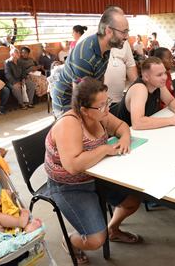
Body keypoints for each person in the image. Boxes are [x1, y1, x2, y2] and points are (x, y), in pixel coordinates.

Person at [45, 77, 141, 263]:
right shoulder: (69, 124)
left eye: (108, 103)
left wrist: (124, 139)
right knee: (95, 240)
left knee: (133, 201)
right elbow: (72, 166)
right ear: (84, 110)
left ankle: (112, 229)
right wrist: (104, 149)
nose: (107, 108)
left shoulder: (100, 115)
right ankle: (69, 241)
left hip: (97, 176)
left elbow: (121, 126)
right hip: (69, 185)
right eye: (102, 105)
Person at [52, 8, 129, 118]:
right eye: (124, 32)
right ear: (108, 32)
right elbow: (78, 101)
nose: (127, 37)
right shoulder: (84, 58)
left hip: (84, 100)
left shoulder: (105, 47)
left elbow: (99, 81)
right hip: (68, 103)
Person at [117, 57, 175, 129]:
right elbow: (137, 123)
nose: (164, 77)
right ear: (146, 77)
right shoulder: (139, 89)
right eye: (159, 75)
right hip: (130, 135)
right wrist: (171, 120)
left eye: (165, 73)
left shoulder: (158, 84)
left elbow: (171, 101)